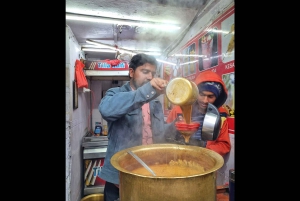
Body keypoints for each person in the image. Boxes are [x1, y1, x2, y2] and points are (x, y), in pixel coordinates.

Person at [98, 53, 177, 201]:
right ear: (132, 72)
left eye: (153, 73)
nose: (150, 77)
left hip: (149, 177)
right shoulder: (116, 93)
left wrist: (176, 126)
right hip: (120, 182)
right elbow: (106, 110)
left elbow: (159, 136)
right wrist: (146, 92)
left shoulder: (155, 103)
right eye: (145, 72)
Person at [166, 70, 231, 156]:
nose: (205, 100)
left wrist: (204, 148)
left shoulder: (220, 115)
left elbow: (224, 145)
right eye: (202, 94)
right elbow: (165, 135)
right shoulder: (178, 110)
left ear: (217, 97)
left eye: (210, 96)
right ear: (195, 93)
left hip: (204, 160)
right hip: (178, 157)